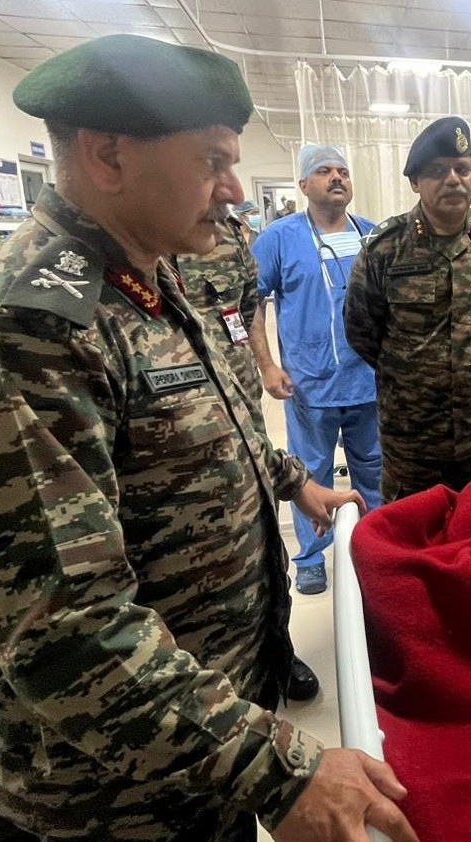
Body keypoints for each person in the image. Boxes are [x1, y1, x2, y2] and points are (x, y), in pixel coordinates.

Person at [0, 34, 417, 842]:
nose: (234, 189)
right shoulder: (29, 327)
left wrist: (291, 478)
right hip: (104, 798)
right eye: (213, 161)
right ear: (108, 155)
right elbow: (66, 630)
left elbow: (201, 419)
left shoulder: (144, 275)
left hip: (191, 751)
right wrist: (278, 770)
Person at [174, 214, 320, 702]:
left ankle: (278, 650)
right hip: (175, 433)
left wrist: (264, 365)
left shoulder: (228, 235)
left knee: (260, 538)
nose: (231, 191)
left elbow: (247, 307)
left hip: (239, 408)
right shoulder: (117, 257)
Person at [345, 117, 471, 503]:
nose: (453, 179)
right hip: (414, 439)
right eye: (437, 171)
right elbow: (361, 332)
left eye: (462, 169)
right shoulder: (385, 249)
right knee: (414, 532)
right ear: (415, 181)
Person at [251, 145, 382, 596]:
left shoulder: (371, 235)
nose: (336, 177)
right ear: (304, 185)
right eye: (324, 171)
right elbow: (252, 302)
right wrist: (267, 366)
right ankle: (310, 558)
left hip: (368, 380)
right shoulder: (279, 238)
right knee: (309, 473)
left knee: (374, 471)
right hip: (310, 383)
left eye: (342, 170)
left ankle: (373, 549)